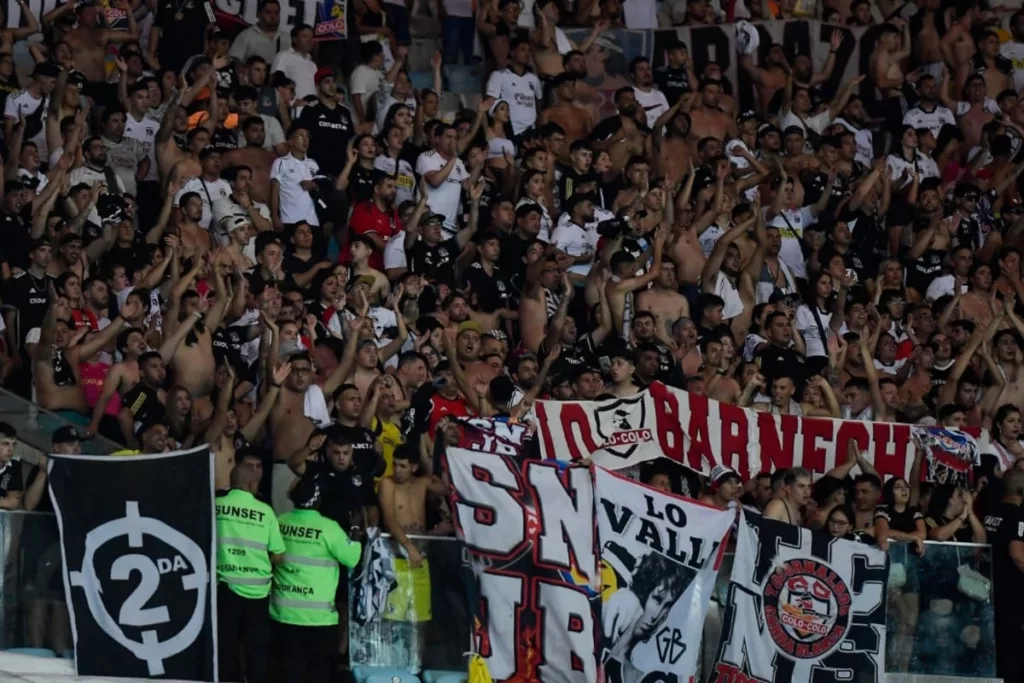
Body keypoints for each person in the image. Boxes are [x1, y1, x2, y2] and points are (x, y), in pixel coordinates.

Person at [271, 472, 362, 683]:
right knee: (318, 675)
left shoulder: (279, 522)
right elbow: (352, 558)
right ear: (318, 500)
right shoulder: (329, 528)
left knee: (287, 673)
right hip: (318, 620)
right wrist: (355, 528)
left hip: (283, 614)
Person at [215, 464, 285, 683]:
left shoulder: (216, 506)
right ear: (252, 484)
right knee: (257, 648)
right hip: (257, 591)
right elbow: (278, 554)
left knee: (225, 645)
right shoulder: (265, 511)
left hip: (224, 587)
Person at [983, 469, 1024, 683]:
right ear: (1020, 489)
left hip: (989, 586)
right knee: (1012, 649)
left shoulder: (990, 511)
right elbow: (1017, 555)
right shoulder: (1018, 515)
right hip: (1012, 592)